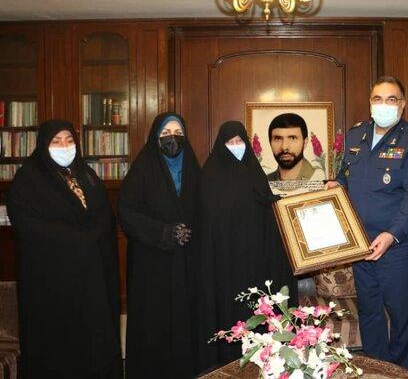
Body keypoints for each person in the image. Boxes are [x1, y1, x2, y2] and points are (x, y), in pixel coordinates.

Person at [325, 76, 408, 371]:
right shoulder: (355, 135)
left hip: (398, 247)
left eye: (391, 99)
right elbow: (346, 176)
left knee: (402, 316)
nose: (383, 105)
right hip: (362, 244)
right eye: (377, 99)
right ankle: (377, 371)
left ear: (402, 104)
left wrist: (392, 234)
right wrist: (336, 184)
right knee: (370, 312)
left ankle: (400, 373)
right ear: (370, 102)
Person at [7, 120, 121, 378]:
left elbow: (104, 214)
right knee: (60, 347)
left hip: (91, 277)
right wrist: (78, 238)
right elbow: (28, 225)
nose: (64, 147)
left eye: (69, 141)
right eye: (56, 141)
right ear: (43, 145)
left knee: (93, 341)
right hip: (53, 283)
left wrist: (91, 236)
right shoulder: (28, 180)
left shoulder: (86, 174)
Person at [197, 121, 298, 369]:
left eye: (239, 141)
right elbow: (205, 222)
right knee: (227, 314)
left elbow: (265, 207)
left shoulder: (254, 172)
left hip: (254, 263)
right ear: (220, 145)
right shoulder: (208, 177)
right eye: (230, 142)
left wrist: (282, 207)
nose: (235, 146)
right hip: (223, 264)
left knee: (255, 313)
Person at [118, 113, 200, 379]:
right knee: (155, 328)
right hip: (151, 266)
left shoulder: (194, 169)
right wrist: (165, 232)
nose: (172, 138)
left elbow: (204, 210)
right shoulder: (142, 170)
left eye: (178, 132)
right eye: (165, 133)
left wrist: (190, 232)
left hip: (186, 265)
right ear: (155, 137)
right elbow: (127, 213)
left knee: (185, 326)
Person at [266, 113, 325, 181]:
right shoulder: (264, 182)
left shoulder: (319, 179)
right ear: (270, 142)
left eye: (292, 138)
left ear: (305, 142)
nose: (284, 147)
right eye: (278, 139)